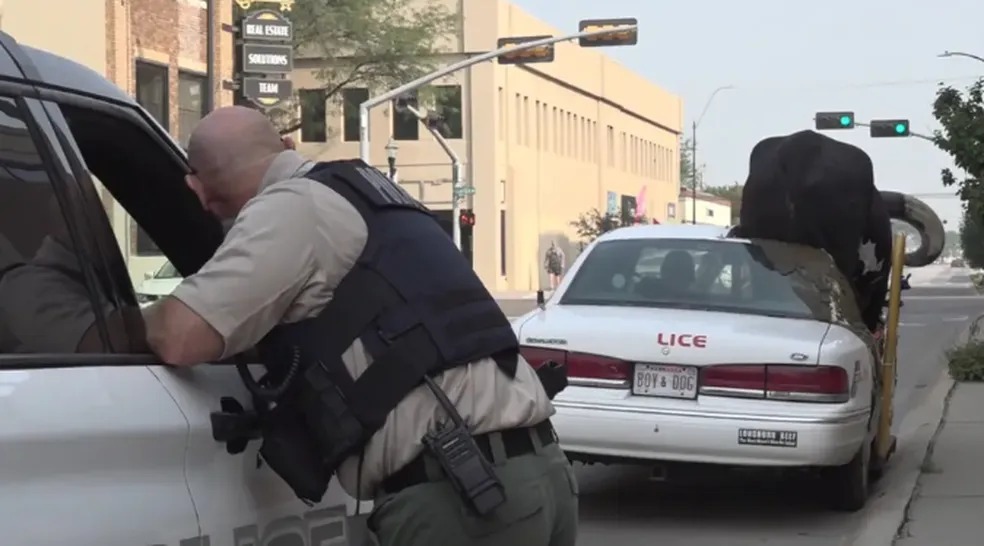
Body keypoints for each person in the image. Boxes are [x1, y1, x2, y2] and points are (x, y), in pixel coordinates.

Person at [141, 106, 578, 546]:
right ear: (288, 148)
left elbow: (178, 337)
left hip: (464, 498)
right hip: (540, 473)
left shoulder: (292, 207)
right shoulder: (370, 191)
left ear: (197, 189)